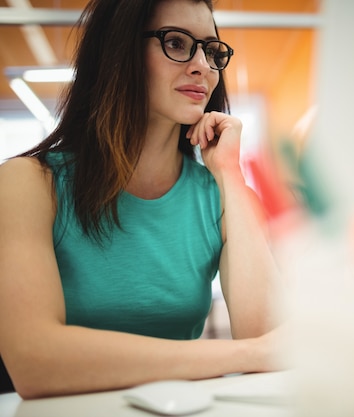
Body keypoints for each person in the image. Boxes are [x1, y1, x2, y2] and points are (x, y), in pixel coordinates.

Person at [0, 0, 285, 399]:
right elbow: (34, 360)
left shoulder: (222, 194)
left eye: (212, 50)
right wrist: (239, 356)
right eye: (176, 42)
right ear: (118, 52)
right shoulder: (27, 183)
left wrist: (229, 173)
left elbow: (270, 342)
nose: (203, 66)